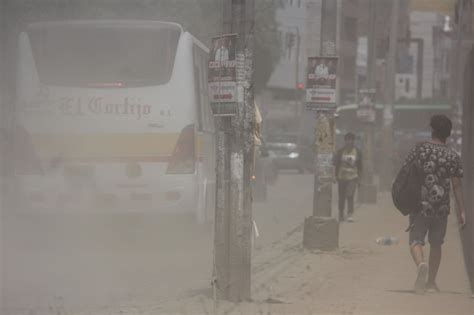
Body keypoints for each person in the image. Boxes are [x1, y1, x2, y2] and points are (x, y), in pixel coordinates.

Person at [404, 115, 466, 294]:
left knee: (416, 240)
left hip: (420, 204)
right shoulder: (452, 155)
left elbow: (407, 173)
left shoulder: (419, 149)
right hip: (442, 207)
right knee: (437, 244)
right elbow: (456, 186)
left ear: (432, 130)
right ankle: (431, 283)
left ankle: (421, 264)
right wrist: (462, 210)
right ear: (448, 134)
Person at [333, 132, 362, 222]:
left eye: (351, 140)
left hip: (352, 177)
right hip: (342, 177)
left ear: (353, 141)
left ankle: (350, 214)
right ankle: (341, 213)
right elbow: (336, 164)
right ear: (345, 141)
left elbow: (360, 166)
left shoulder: (357, 152)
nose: (349, 142)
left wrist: (359, 179)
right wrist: (335, 176)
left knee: (350, 195)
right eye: (347, 140)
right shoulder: (340, 152)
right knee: (341, 197)